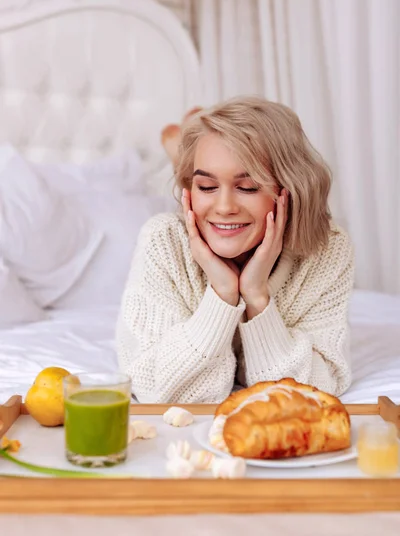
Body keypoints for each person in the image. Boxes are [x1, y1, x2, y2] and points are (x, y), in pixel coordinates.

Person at [116, 97, 354, 403]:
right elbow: (159, 390)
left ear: (290, 190)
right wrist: (222, 294)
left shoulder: (327, 248)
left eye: (248, 187)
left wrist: (257, 295)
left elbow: (312, 390)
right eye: (206, 186)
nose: (225, 207)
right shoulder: (163, 241)